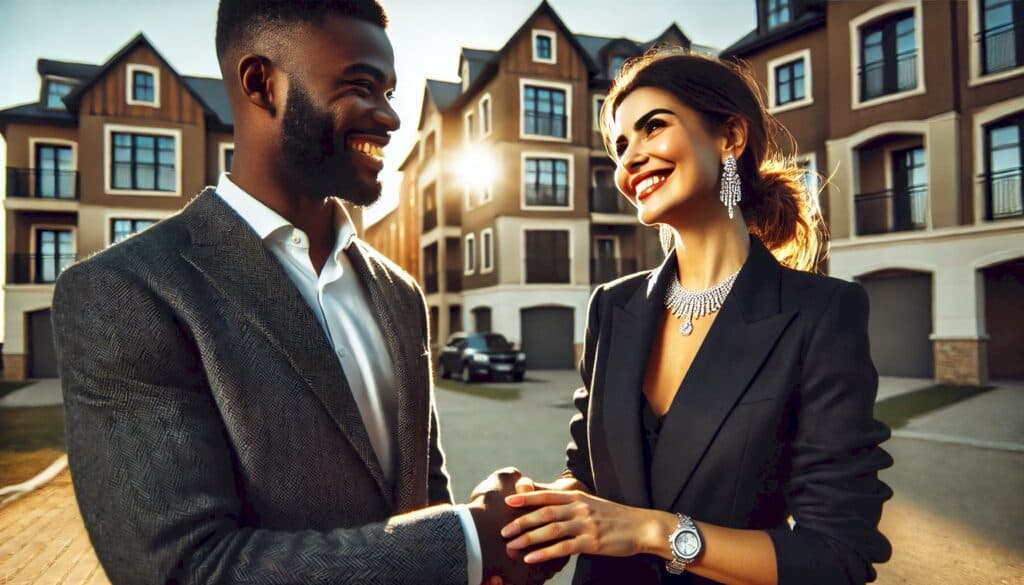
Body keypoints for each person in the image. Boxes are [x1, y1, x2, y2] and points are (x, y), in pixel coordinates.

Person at [51, 1, 547, 583]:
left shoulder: (401, 294)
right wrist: (465, 541)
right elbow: (183, 569)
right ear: (262, 83)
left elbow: (425, 491)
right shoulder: (124, 293)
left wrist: (493, 542)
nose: (389, 118)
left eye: (389, 92)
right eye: (362, 86)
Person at [498, 49, 893, 584]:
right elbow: (591, 482)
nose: (629, 160)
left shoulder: (823, 314)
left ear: (730, 137)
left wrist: (652, 532)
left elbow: (835, 555)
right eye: (620, 145)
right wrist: (516, 513)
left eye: (652, 127)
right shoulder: (611, 308)